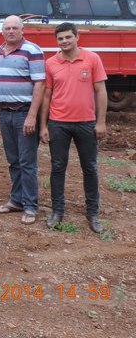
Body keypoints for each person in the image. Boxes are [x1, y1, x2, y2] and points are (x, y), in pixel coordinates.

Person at [40, 22, 107, 233]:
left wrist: (101, 121)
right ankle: (57, 211)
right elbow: (47, 96)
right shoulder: (51, 63)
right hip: (58, 123)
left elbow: (101, 91)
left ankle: (93, 213)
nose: (64, 42)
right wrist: (43, 125)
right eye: (60, 39)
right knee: (58, 168)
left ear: (77, 37)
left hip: (86, 123)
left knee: (90, 168)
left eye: (68, 37)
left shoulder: (92, 59)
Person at [0, 15, 45, 225]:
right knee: (13, 160)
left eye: (15, 28)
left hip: (24, 113)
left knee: (27, 162)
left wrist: (32, 116)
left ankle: (31, 206)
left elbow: (40, 85)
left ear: (22, 30)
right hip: (5, 114)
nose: (11, 31)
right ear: (2, 31)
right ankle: (16, 200)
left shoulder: (33, 51)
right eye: (7, 28)